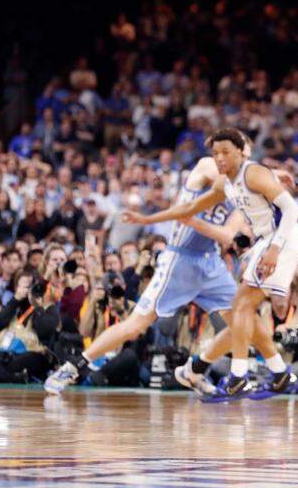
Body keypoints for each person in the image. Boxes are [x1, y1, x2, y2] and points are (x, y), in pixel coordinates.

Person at [119, 128, 298, 402]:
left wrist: (275, 249)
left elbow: (293, 210)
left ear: (241, 152)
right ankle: (276, 374)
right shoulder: (225, 184)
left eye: (226, 152)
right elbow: (187, 209)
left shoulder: (253, 172)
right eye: (215, 153)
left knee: (241, 306)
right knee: (241, 305)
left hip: (283, 238)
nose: (219, 158)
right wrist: (147, 220)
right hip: (268, 240)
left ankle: (240, 378)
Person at [43, 155, 251, 395]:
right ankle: (72, 367)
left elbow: (227, 236)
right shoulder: (209, 167)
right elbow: (226, 181)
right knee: (136, 326)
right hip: (180, 259)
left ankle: (194, 370)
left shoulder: (243, 196)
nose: (244, 161)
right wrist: (265, 180)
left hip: (210, 263)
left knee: (243, 321)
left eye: (247, 158)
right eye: (240, 154)